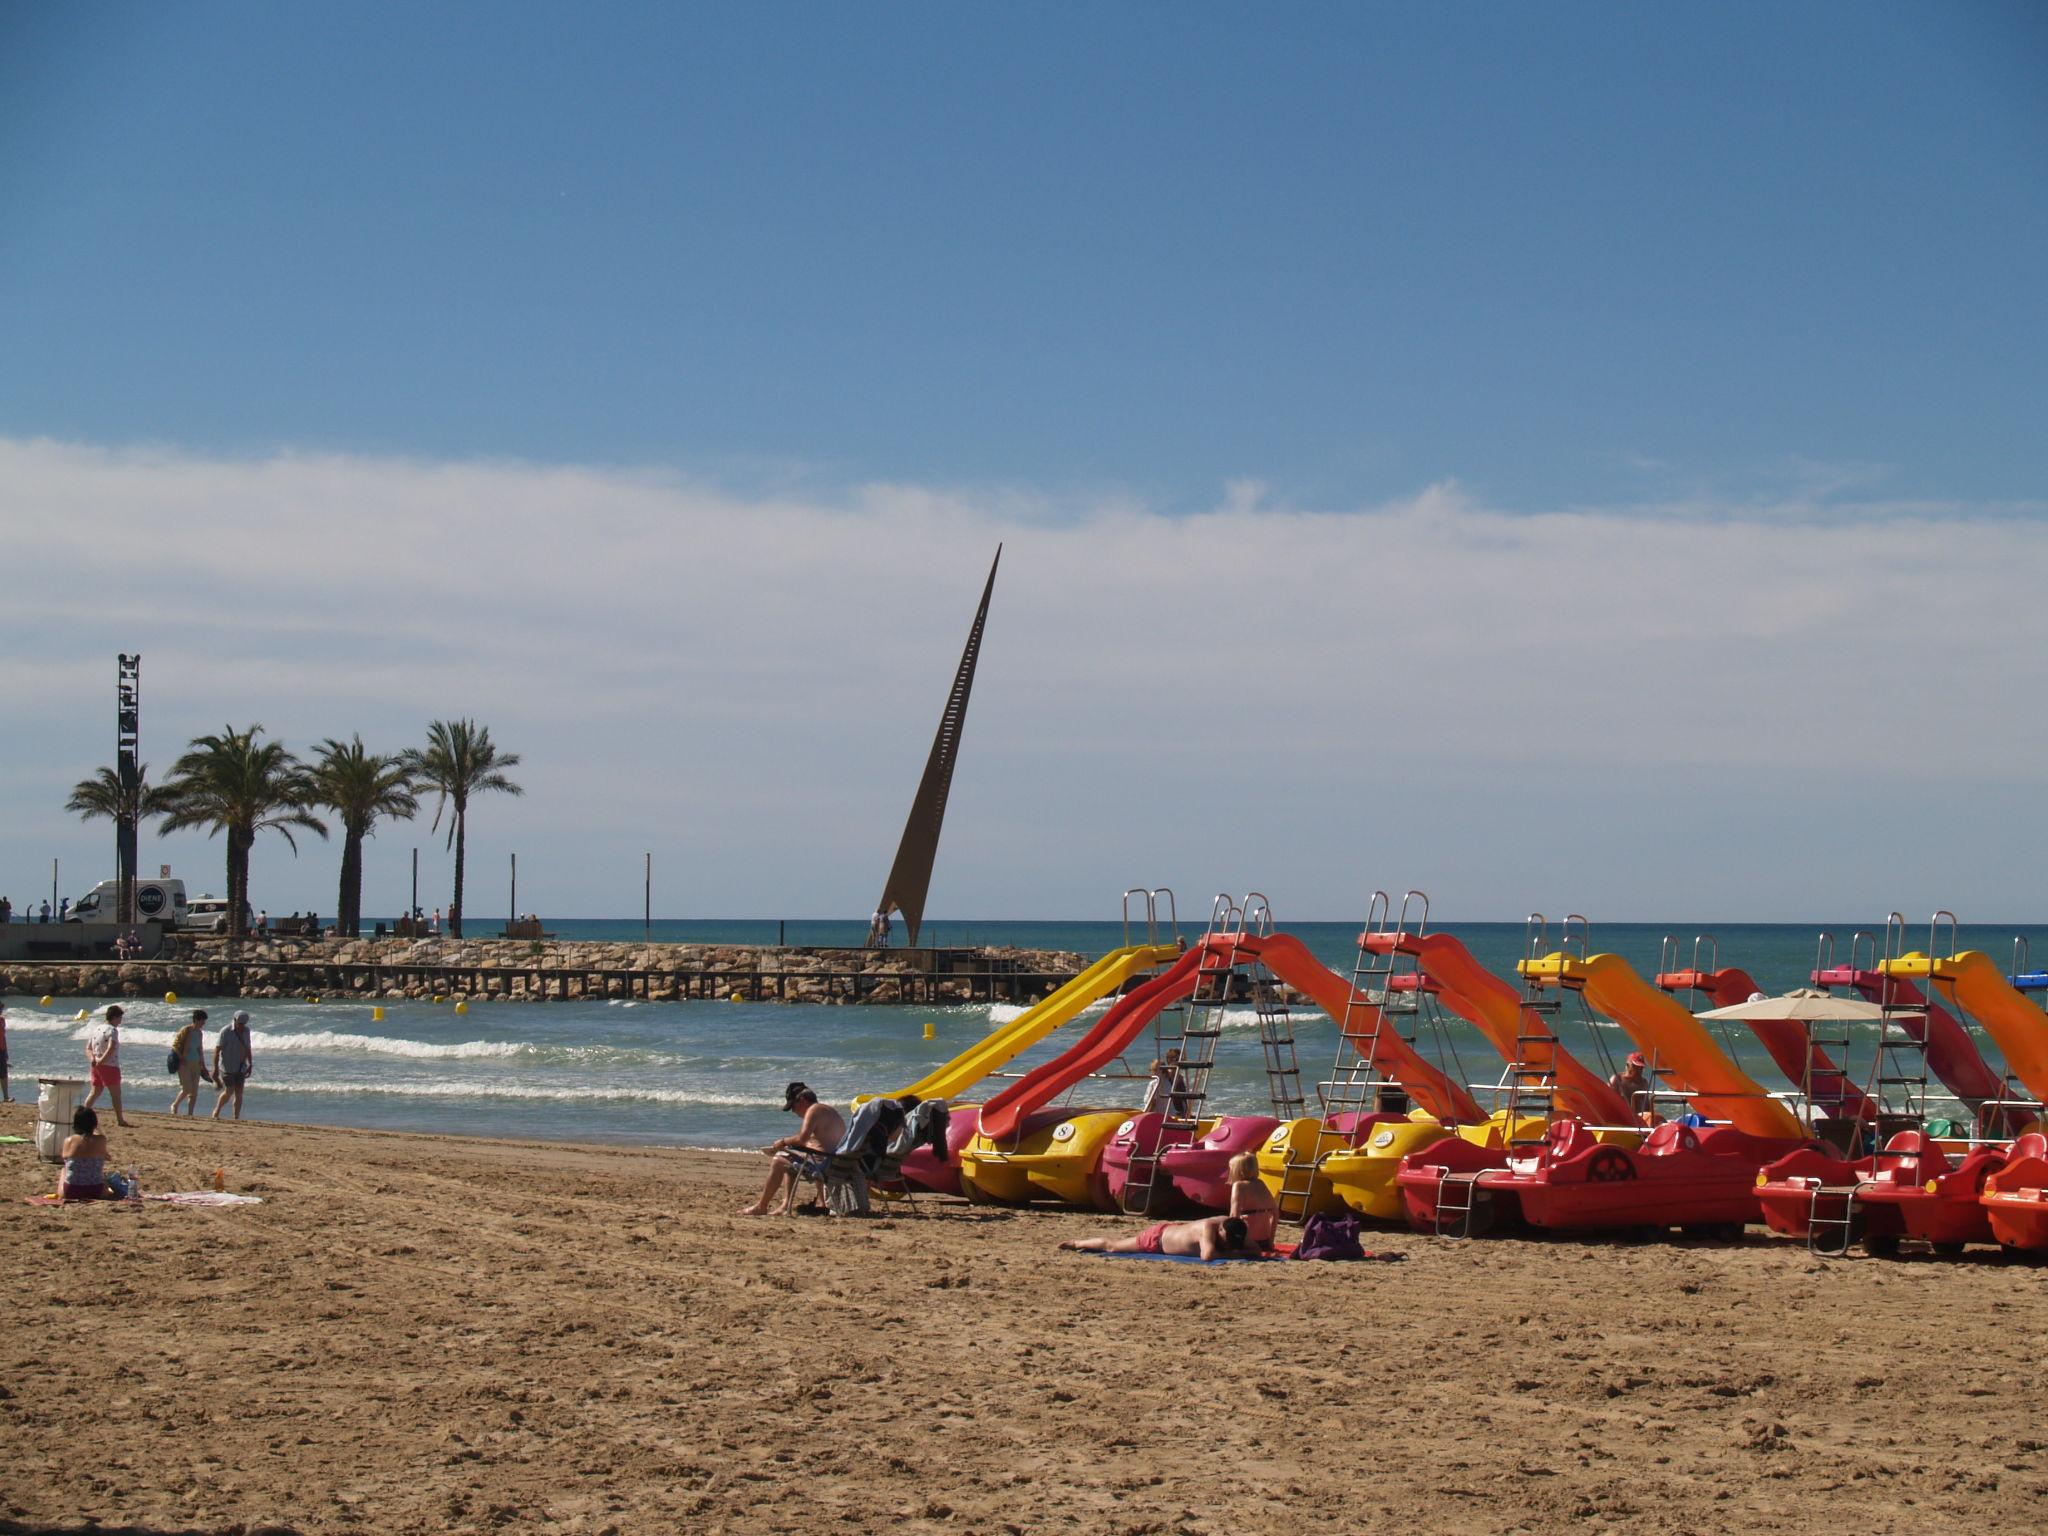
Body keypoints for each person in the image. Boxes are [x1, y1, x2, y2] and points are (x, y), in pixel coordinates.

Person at [738, 1081, 848, 1216]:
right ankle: (787, 1204)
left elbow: (802, 1138)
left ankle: (762, 1206)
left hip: (823, 1165)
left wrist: (783, 1142)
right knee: (789, 1158)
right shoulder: (828, 1110)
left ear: (801, 1100)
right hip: (835, 1162)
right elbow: (818, 1142)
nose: (793, 1111)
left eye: (793, 1107)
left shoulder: (814, 1110)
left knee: (779, 1159)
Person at [1060, 1215, 1251, 1260]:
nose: (1229, 1245)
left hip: (1172, 1231)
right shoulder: (1210, 1227)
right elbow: (1207, 1256)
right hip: (1156, 1239)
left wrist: (1241, 1246)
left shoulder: (1231, 1224)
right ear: (1221, 1232)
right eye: (1227, 1241)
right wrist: (1237, 1254)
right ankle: (1077, 1243)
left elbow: (1255, 1248)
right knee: (1113, 1246)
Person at [82, 1005, 133, 1127]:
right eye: (120, 1017)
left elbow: (88, 1048)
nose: (121, 1020)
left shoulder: (97, 1029)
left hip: (96, 1066)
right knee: (115, 1095)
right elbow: (111, 1047)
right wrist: (102, 1060)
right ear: (114, 1017)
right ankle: (120, 1120)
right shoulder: (112, 1030)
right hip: (110, 1066)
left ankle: (82, 1115)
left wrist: (93, 1059)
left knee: (94, 1092)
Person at [57, 1106, 116, 1201]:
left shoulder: (69, 1140)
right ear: (94, 1124)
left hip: (71, 1191)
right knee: (101, 1174)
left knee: (64, 1170)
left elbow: (64, 1159)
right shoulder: (101, 1140)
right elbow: (107, 1156)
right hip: (96, 1191)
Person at [1226, 1152, 1277, 1249]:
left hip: (1247, 1241)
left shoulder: (1239, 1186)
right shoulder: (1261, 1184)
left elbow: (1234, 1215)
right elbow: (1275, 1212)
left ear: (1238, 1171)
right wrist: (1271, 1240)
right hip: (1264, 1242)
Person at [211, 1009, 255, 1120]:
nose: (242, 1026)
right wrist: (215, 1068)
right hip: (227, 1067)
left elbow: (247, 1048)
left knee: (239, 1093)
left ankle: (236, 1117)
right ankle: (217, 1110)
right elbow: (217, 1050)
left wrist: (250, 1064)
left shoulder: (246, 1031)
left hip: (241, 1067)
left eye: (244, 1024)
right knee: (229, 1091)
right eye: (240, 1023)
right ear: (235, 1020)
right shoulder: (225, 1031)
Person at [169, 1009, 211, 1115]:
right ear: (196, 1020)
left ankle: (190, 1113)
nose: (204, 1023)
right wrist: (181, 1057)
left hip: (196, 1063)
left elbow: (199, 1049)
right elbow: (175, 1045)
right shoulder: (186, 1030)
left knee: (194, 1092)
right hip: (184, 1063)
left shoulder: (200, 1033)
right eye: (202, 1021)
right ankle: (175, 1105)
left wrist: (203, 1064)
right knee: (187, 1089)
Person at [1141, 1048, 1191, 1116]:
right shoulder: (1166, 1077)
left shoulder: (1176, 1077)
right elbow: (1153, 1102)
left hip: (1175, 1111)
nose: (1183, 1061)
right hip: (1172, 1112)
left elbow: (1183, 1100)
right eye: (1180, 1059)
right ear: (1174, 1060)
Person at [1609, 1051, 1655, 1121]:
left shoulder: (1643, 1082)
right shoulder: (1617, 1079)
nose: (1639, 1070)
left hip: (1639, 1120)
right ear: (1627, 1065)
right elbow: (1607, 1099)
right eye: (1636, 1067)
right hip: (1620, 1118)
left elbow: (1647, 1105)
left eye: (1641, 1068)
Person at [0, 997, 11, 1102]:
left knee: (4, 1074)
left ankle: (6, 1097)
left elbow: (3, 1037)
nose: (1, 1011)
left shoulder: (2, 1021)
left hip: (2, 1050)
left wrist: (6, 1053)